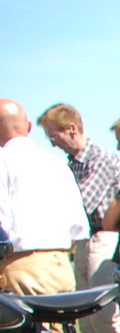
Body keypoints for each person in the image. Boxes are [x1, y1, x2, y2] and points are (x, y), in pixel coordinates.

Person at [38, 102, 120, 333]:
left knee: (105, 314)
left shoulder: (100, 159)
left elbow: (82, 204)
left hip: (103, 238)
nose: (53, 143)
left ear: (72, 129)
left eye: (54, 136)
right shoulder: (72, 164)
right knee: (85, 317)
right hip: (84, 241)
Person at [0, 98, 88, 298]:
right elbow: (79, 227)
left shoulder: (3, 160)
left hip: (20, 266)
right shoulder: (57, 163)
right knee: (59, 329)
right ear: (29, 127)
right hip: (61, 265)